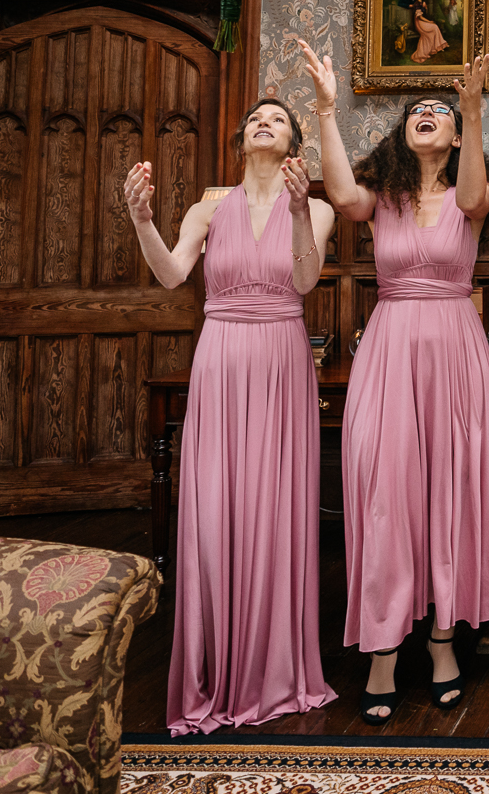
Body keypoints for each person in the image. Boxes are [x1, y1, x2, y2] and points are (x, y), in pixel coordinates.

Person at [297, 41, 489, 724]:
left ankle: (445, 639)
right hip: (390, 351)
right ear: (402, 134)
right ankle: (384, 650)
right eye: (415, 110)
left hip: (455, 352)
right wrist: (329, 110)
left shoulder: (469, 194)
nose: (426, 114)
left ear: (454, 135)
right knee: (386, 494)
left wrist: (475, 111)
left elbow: (477, 192)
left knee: (449, 493)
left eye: (439, 111)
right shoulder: (383, 199)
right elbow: (337, 194)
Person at [122, 99, 337, 734]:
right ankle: (215, 667)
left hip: (280, 359)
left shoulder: (317, 208)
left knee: (273, 508)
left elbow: (304, 281)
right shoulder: (207, 210)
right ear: (242, 138)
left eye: (278, 117)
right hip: (219, 361)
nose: (264, 121)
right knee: (215, 509)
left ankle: (273, 668)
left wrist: (299, 213)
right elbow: (170, 274)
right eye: (255, 118)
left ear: (295, 141)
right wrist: (141, 219)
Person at [409, 0, 447, 64]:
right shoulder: (416, 4)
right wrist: (429, 21)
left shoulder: (421, 3)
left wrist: (425, 8)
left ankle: (434, 48)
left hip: (422, 21)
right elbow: (420, 17)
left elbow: (425, 14)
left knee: (434, 28)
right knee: (434, 27)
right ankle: (437, 46)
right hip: (419, 23)